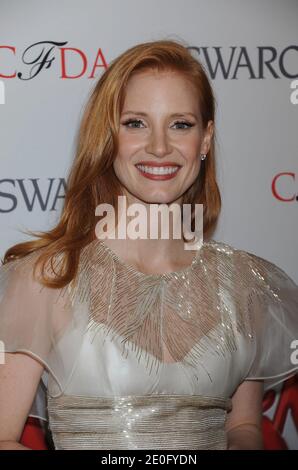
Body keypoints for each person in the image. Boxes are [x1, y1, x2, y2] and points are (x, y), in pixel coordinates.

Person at [0, 39, 297, 451]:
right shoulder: (45, 279)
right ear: (108, 136)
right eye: (136, 123)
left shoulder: (247, 286)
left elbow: (243, 428)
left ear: (206, 140)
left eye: (181, 124)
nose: (160, 146)